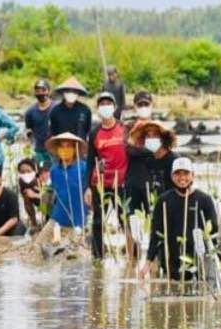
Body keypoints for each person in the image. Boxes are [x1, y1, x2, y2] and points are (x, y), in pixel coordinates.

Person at [142, 158, 218, 280]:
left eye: (186, 173)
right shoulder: (163, 201)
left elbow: (213, 231)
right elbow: (156, 233)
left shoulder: (205, 200)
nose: (182, 178)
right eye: (178, 174)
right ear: (172, 177)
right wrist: (148, 261)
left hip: (199, 258)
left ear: (193, 175)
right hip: (171, 259)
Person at [84, 92, 129, 258]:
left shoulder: (124, 129)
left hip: (121, 183)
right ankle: (97, 258)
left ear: (115, 107)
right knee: (98, 222)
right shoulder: (94, 133)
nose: (105, 107)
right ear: (98, 109)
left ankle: (132, 255)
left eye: (108, 103)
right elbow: (90, 161)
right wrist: (87, 187)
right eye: (102, 104)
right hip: (100, 184)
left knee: (124, 220)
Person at [125, 114, 177, 216]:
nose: (151, 138)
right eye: (148, 136)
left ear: (163, 138)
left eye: (155, 135)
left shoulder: (173, 160)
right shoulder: (149, 161)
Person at [46, 132, 89, 229]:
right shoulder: (54, 170)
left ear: (74, 149)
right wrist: (44, 209)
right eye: (62, 146)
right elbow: (50, 191)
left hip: (79, 219)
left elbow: (90, 192)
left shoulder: (83, 168)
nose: (65, 149)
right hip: (58, 217)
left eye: (68, 146)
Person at [24, 78, 55, 164]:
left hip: (55, 149)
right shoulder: (30, 112)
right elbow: (28, 130)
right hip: (38, 150)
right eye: (38, 91)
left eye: (43, 90)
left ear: (49, 91)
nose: (41, 93)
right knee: (39, 170)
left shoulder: (57, 108)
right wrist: (31, 145)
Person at [16, 157, 43, 229]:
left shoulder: (42, 178)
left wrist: (35, 195)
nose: (26, 174)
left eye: (28, 171)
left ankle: (46, 219)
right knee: (26, 197)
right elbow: (25, 200)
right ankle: (34, 223)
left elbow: (51, 198)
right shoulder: (21, 181)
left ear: (34, 171)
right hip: (37, 200)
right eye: (22, 172)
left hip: (48, 203)